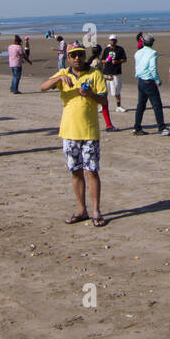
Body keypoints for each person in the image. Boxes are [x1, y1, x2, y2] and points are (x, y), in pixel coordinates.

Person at [40, 42, 109, 227]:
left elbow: (104, 100)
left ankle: (96, 210)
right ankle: (81, 210)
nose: (77, 58)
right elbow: (43, 87)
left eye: (80, 54)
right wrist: (59, 78)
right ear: (68, 58)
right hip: (69, 132)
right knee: (75, 172)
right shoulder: (64, 74)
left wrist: (90, 94)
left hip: (89, 131)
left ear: (84, 55)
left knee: (92, 171)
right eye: (73, 55)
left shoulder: (95, 74)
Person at [133, 34, 170, 136]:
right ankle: (161, 128)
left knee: (141, 105)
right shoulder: (153, 53)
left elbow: (138, 66)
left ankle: (137, 127)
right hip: (148, 82)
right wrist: (158, 80)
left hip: (141, 81)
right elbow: (152, 69)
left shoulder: (138, 53)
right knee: (157, 105)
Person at [101, 35, 128, 112]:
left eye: (114, 40)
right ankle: (102, 106)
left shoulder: (120, 49)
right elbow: (102, 60)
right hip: (106, 73)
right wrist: (105, 61)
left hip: (116, 73)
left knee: (116, 90)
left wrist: (117, 61)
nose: (112, 41)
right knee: (104, 91)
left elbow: (124, 59)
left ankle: (118, 106)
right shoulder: (106, 49)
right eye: (111, 40)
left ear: (116, 41)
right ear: (109, 41)